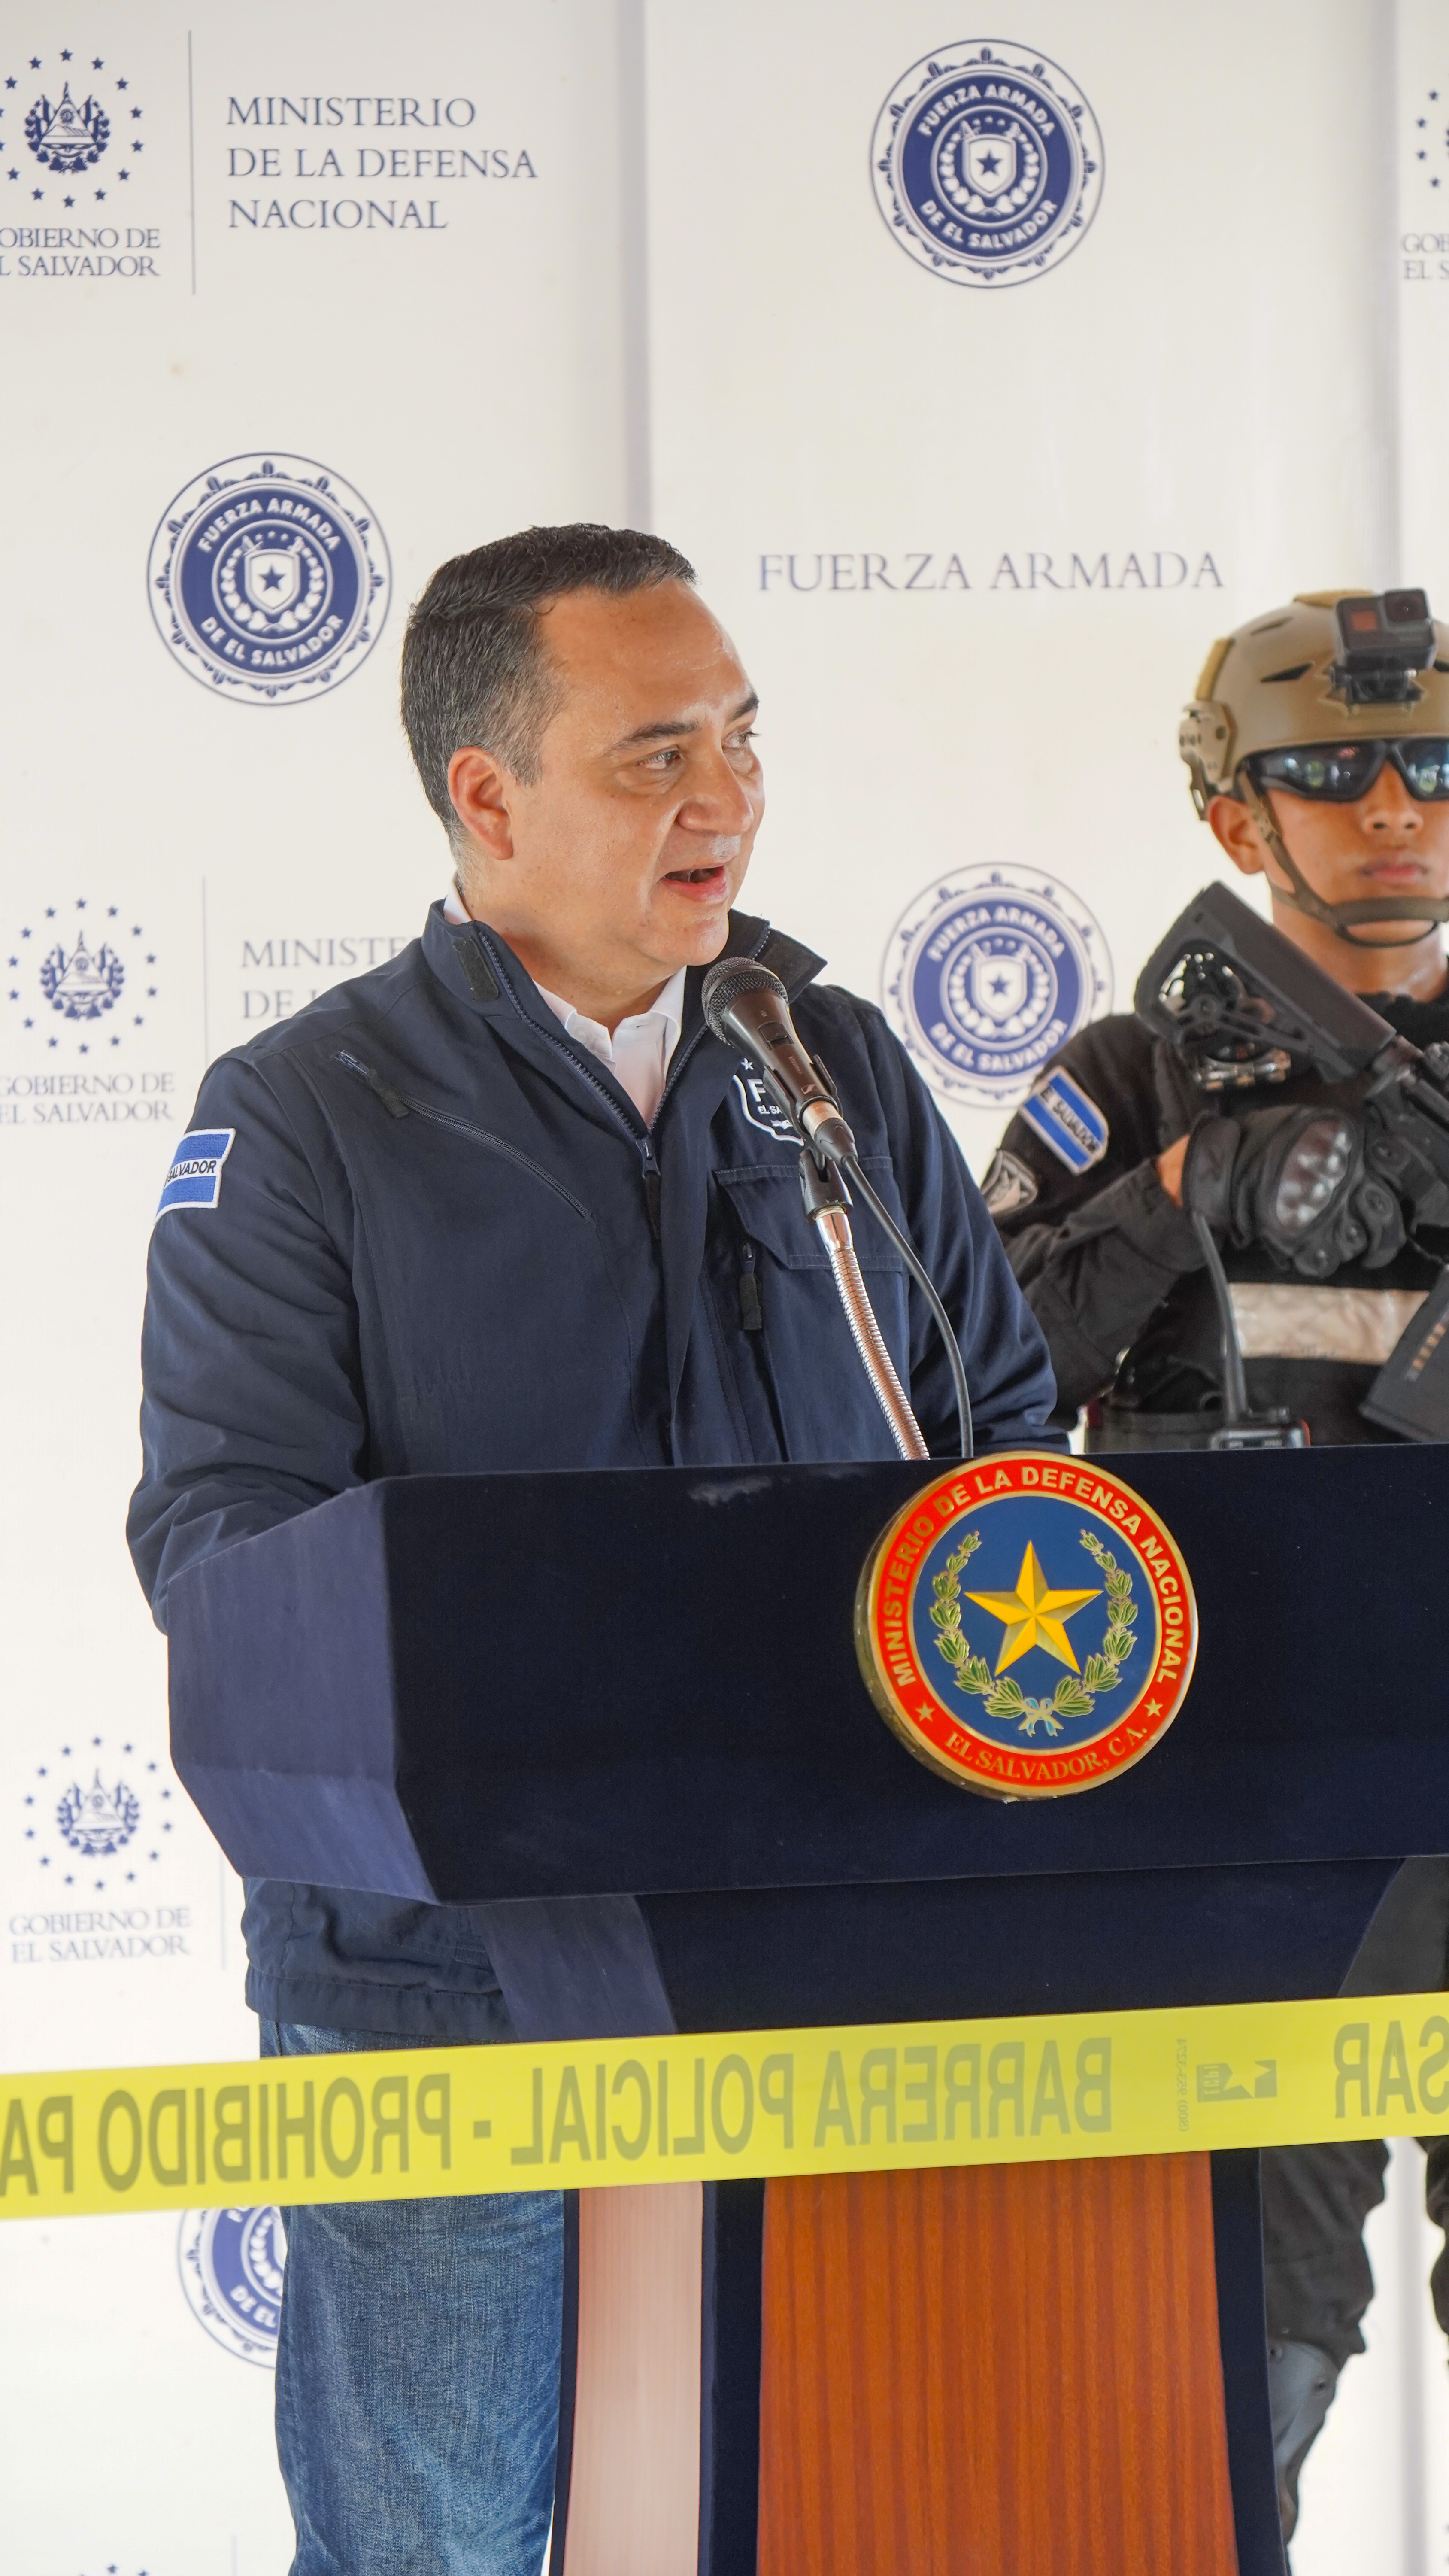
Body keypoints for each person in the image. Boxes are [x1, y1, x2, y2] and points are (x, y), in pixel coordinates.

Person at [127, 522, 1057, 2576]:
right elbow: (224, 1544)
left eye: (741, 739)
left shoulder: (828, 1069)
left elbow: (999, 1430)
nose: (724, 795)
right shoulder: (301, 1113)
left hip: (834, 1933)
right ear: (488, 796)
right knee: (437, 2545)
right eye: (656, 755)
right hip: (445, 1972)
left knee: (837, 2505)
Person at [981, 585, 1449, 2544]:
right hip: (1241, 1783)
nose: (1393, 808)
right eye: (1329, 770)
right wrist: (1184, 1194)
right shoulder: (1129, 1080)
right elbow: (969, 1370)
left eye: (1429, 764)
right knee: (1243, 2341)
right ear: (1230, 815)